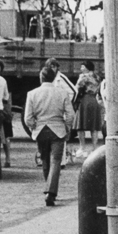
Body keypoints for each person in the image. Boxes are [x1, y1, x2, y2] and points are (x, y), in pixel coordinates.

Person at [24, 65, 75, 206]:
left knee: (45, 160)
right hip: (58, 130)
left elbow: (27, 118)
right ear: (54, 78)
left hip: (40, 130)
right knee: (56, 160)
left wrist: (34, 126)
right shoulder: (62, 93)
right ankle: (51, 192)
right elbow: (71, 114)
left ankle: (48, 189)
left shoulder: (32, 93)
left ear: (41, 78)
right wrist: (66, 127)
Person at [73, 60, 102, 159]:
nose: (81, 69)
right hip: (94, 100)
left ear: (86, 67)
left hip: (84, 101)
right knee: (93, 126)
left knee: (80, 126)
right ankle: (94, 148)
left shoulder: (83, 76)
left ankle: (82, 148)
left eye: (82, 67)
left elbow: (76, 88)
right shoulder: (97, 76)